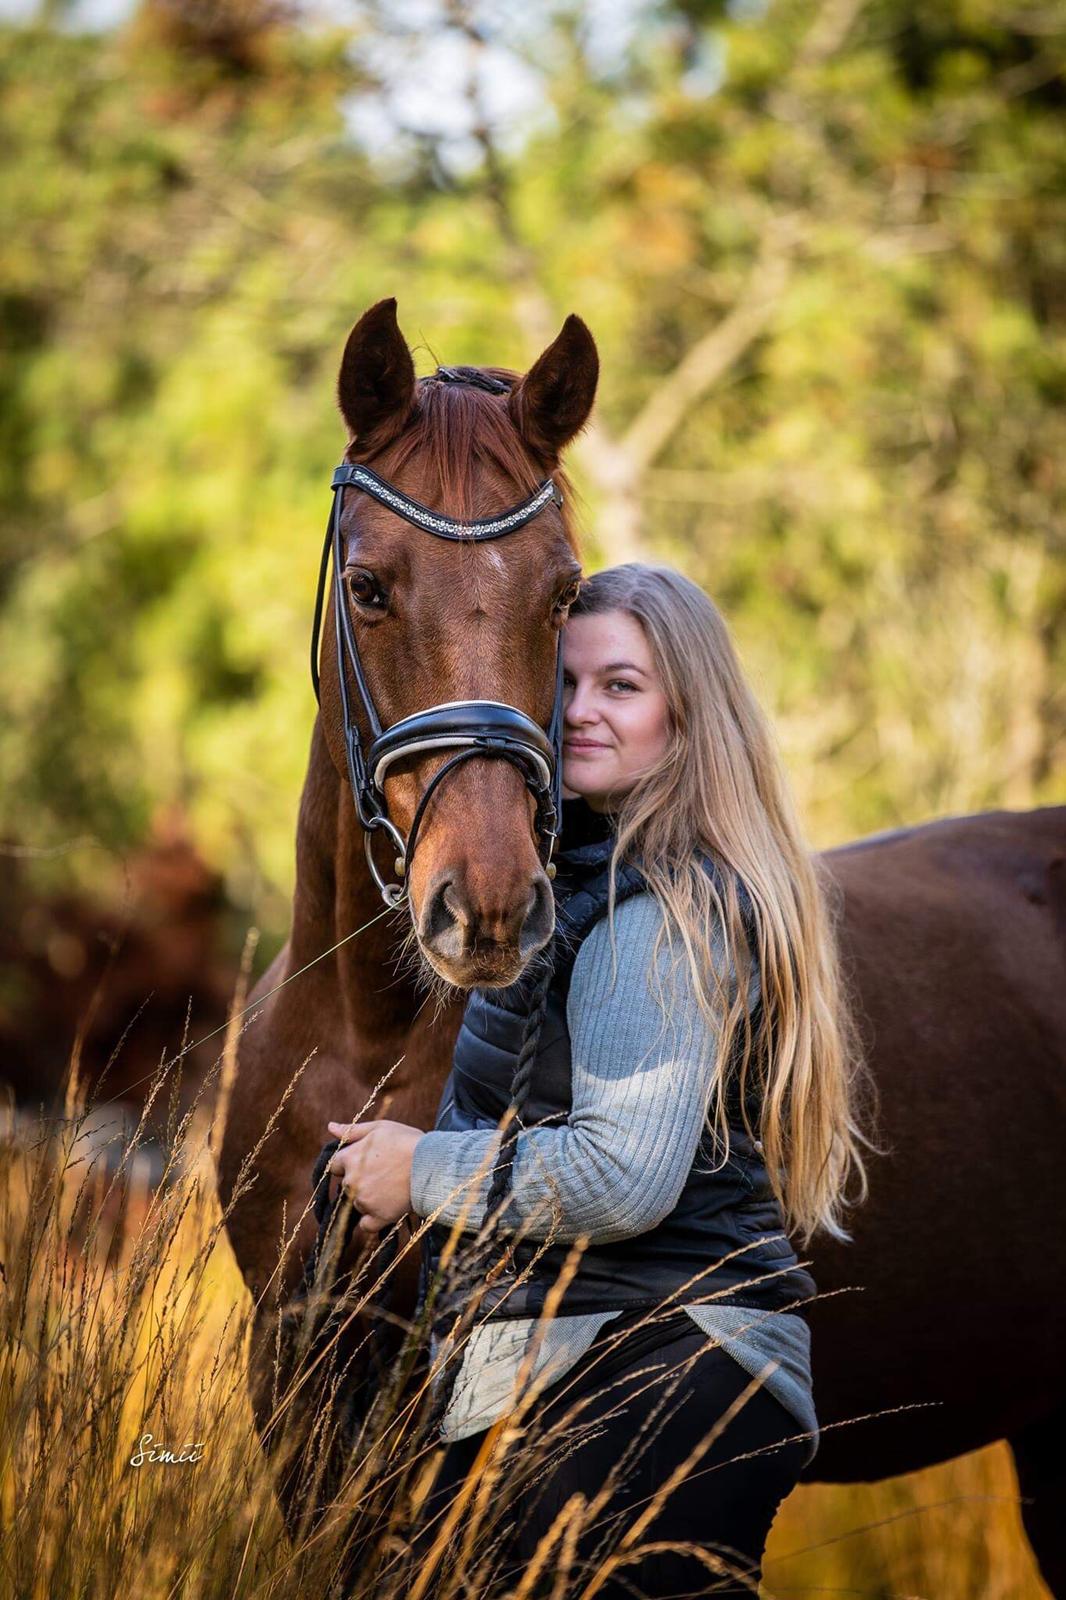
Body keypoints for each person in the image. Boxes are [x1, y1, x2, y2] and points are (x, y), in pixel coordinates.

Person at [325, 563, 873, 1597]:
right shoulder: (585, 877)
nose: (578, 712)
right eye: (564, 684)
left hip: (657, 1365)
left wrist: (422, 1171)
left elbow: (623, 1174)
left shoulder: (651, 916)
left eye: (620, 686)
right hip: (604, 1356)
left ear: (686, 714)